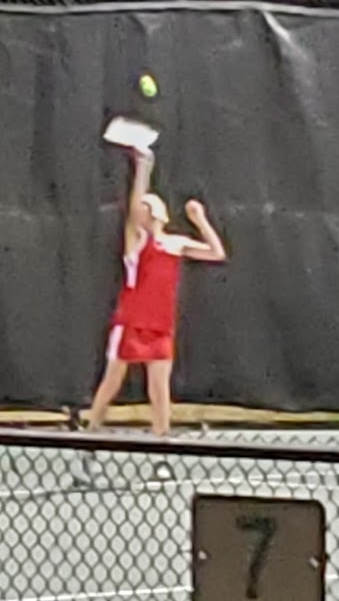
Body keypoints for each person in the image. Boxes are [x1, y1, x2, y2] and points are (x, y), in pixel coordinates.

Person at [83, 146, 226, 478]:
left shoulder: (175, 244)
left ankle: (162, 457)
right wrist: (143, 167)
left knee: (159, 391)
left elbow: (217, 253)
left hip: (161, 327)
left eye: (151, 206)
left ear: (161, 215)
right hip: (130, 324)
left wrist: (199, 219)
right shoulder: (136, 242)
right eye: (143, 207)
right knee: (111, 384)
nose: (144, 210)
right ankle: (88, 446)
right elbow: (134, 211)